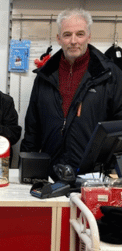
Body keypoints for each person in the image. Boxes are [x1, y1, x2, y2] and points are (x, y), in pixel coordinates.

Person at [21, 8, 122, 172]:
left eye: (80, 34)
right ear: (59, 38)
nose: (73, 41)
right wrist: (26, 168)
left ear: (89, 36)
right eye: (67, 35)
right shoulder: (44, 75)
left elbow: (119, 130)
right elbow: (32, 128)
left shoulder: (111, 75)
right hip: (50, 172)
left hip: (92, 175)